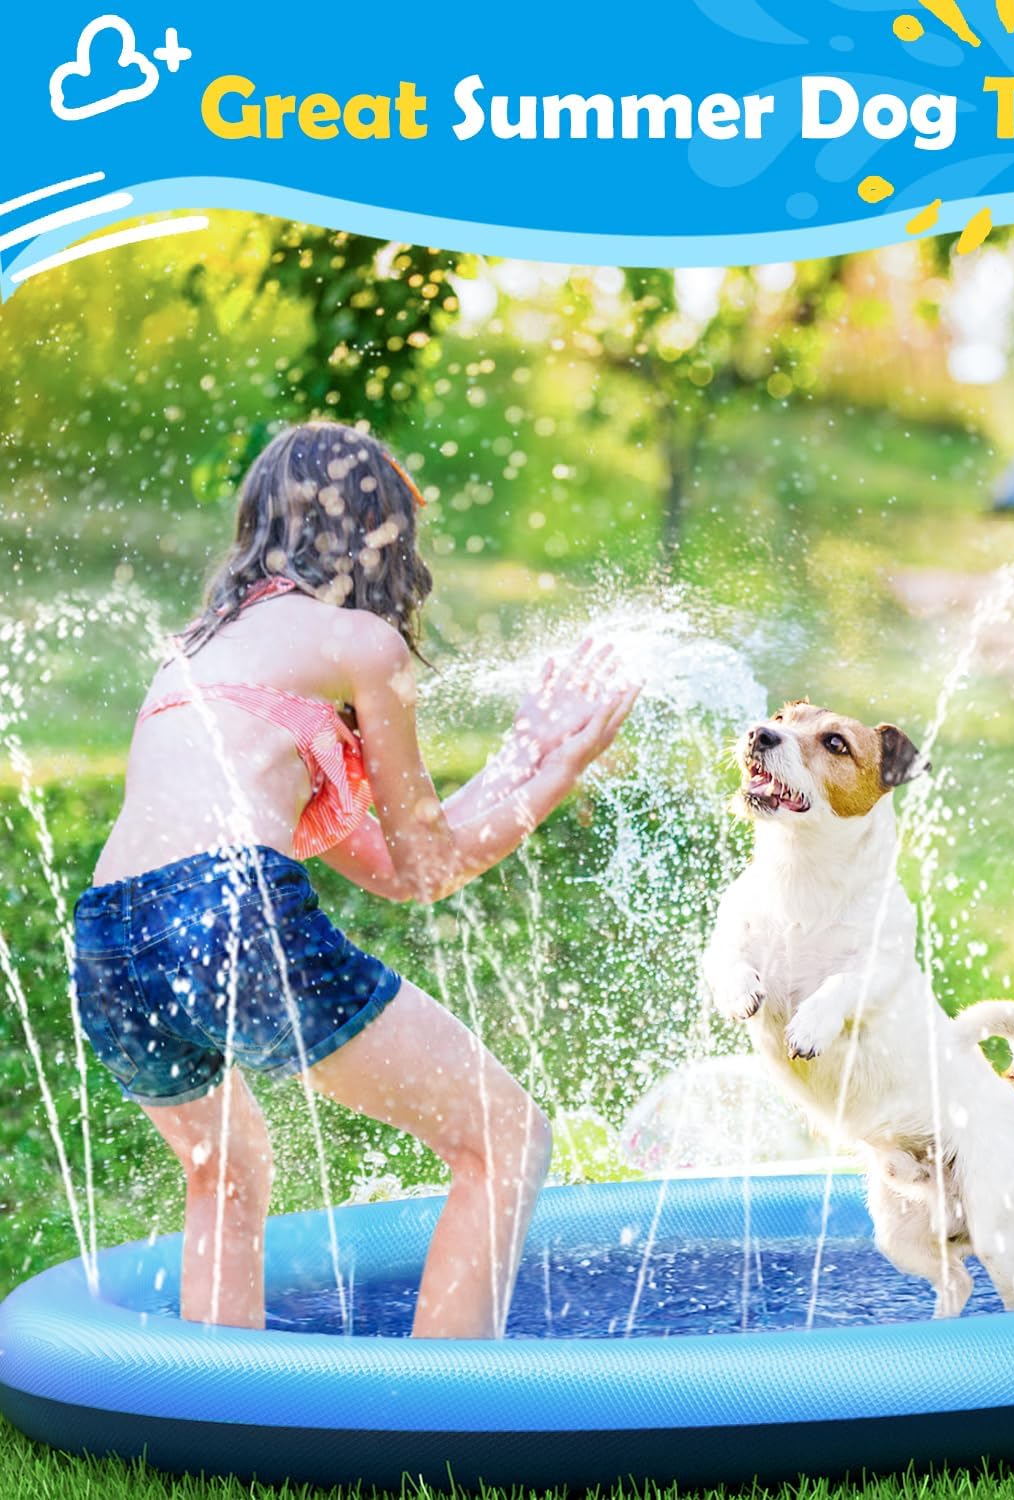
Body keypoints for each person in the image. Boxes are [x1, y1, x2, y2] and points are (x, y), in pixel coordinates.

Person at [73, 421, 638, 1336]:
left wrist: (523, 754)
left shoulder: (198, 654)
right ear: (380, 536)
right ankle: (446, 1408)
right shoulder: (360, 642)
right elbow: (431, 869)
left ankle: (222, 1405)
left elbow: (393, 860)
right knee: (503, 1139)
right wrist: (561, 771)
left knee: (228, 1172)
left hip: (108, 943)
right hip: (231, 911)